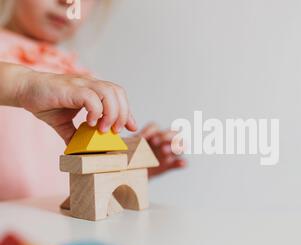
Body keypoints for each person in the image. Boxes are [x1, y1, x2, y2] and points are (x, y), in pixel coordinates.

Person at [0, 0, 185, 200]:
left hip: (60, 227)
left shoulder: (82, 82)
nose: (68, 2)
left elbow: (87, 188)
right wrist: (23, 85)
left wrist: (129, 168)